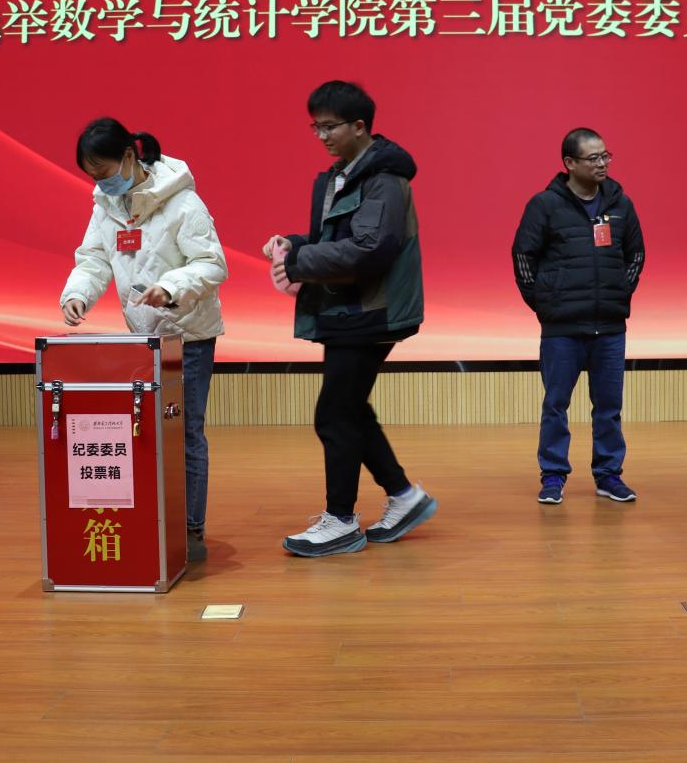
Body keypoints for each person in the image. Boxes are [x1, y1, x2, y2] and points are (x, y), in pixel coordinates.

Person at [263, 80, 436, 557]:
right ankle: (403, 496)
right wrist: (295, 244)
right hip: (348, 309)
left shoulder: (383, 180)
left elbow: (370, 250)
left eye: (330, 127)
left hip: (370, 311)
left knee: (334, 415)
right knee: (350, 409)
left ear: (360, 126)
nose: (322, 136)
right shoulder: (339, 175)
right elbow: (334, 238)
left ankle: (340, 521)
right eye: (315, 127)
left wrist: (299, 262)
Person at [60, 118, 228, 562]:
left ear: (129, 157)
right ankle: (159, 522)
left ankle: (191, 528)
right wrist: (77, 294)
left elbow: (212, 264)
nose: (100, 183)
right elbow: (93, 259)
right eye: (92, 176)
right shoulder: (106, 206)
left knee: (186, 432)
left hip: (188, 336)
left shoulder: (183, 202)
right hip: (143, 340)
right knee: (150, 432)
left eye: (103, 171)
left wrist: (170, 288)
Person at [512, 127, 645, 505]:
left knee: (609, 407)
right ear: (569, 163)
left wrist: (620, 291)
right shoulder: (544, 205)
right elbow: (523, 256)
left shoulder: (621, 204)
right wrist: (544, 304)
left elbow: (636, 254)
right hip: (562, 328)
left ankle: (608, 475)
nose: (603, 164)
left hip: (610, 326)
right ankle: (553, 475)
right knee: (556, 405)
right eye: (593, 158)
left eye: (606, 156)